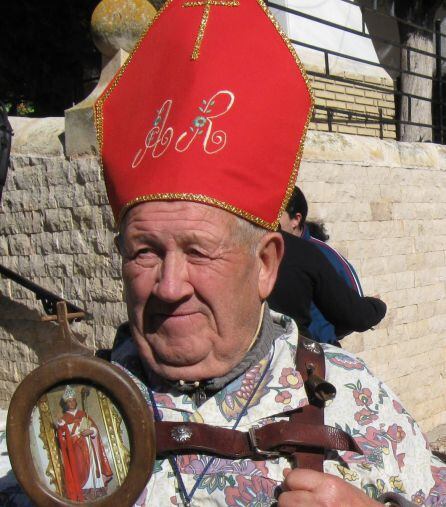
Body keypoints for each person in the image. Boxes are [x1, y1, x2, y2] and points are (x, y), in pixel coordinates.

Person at [4, 0, 445, 506]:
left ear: (265, 265)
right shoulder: (62, 416)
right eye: (144, 252)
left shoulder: (355, 398)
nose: (169, 287)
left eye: (199, 252)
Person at [279, 186, 369, 344]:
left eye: (277, 213)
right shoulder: (270, 251)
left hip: (316, 353)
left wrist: (325, 335)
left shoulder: (323, 254)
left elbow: (353, 307)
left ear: (296, 219)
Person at [268, 230, 386, 340]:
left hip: (312, 344)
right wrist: (376, 307)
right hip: (298, 347)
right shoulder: (305, 251)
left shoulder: (316, 252)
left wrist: (373, 307)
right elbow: (354, 316)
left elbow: (350, 311)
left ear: (296, 219)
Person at [56, 385, 113, 501]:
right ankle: (84, 492)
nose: (71, 403)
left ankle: (96, 490)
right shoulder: (64, 419)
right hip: (76, 450)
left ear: (76, 401)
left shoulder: (83, 415)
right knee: (80, 469)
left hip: (89, 445)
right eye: (69, 401)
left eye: (73, 400)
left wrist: (91, 431)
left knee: (93, 466)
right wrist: (64, 431)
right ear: (65, 404)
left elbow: (95, 429)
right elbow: (62, 440)